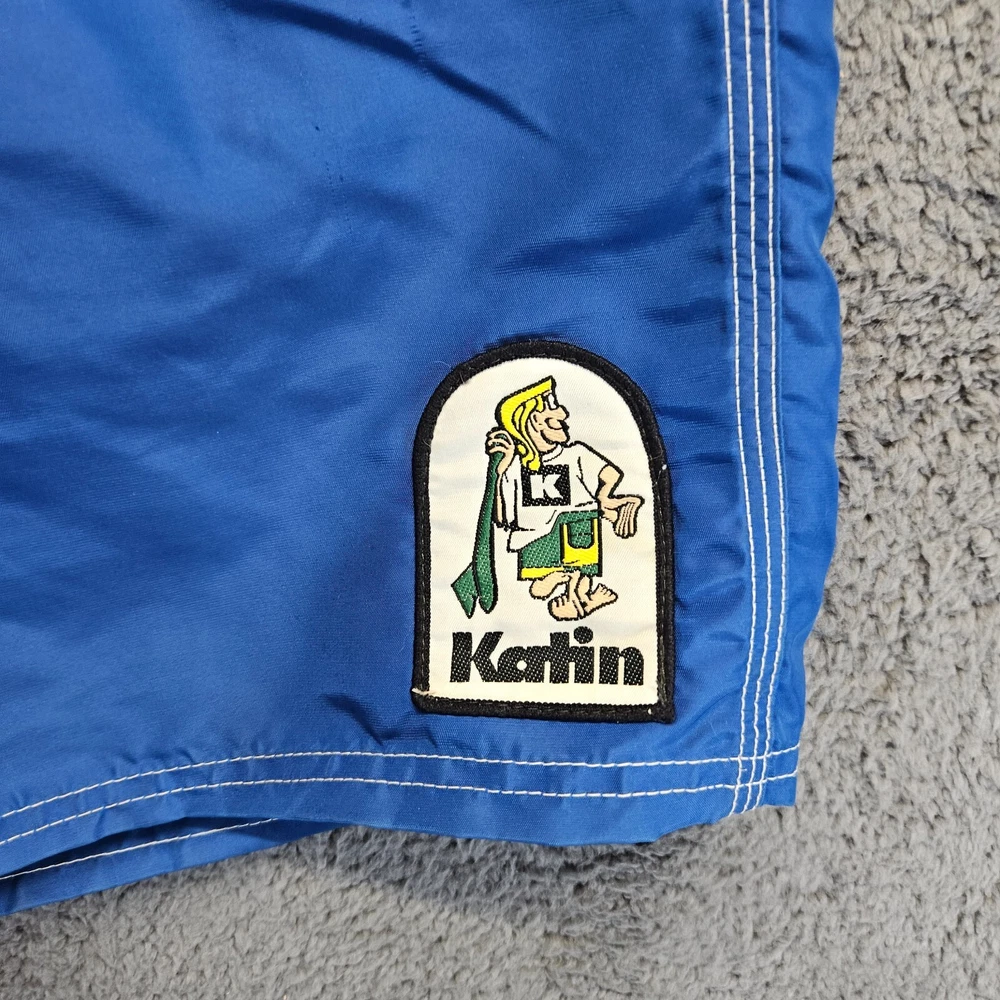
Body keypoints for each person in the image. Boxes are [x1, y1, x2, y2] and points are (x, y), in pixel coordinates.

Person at [485, 378, 643, 621]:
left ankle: (576, 597)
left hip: (575, 532)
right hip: (537, 539)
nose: (563, 413)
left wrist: (604, 498)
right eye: (552, 406)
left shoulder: (575, 453)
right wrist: (499, 470)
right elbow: (501, 517)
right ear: (533, 420)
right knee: (543, 585)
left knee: (577, 572)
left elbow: (611, 474)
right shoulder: (515, 466)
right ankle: (572, 594)